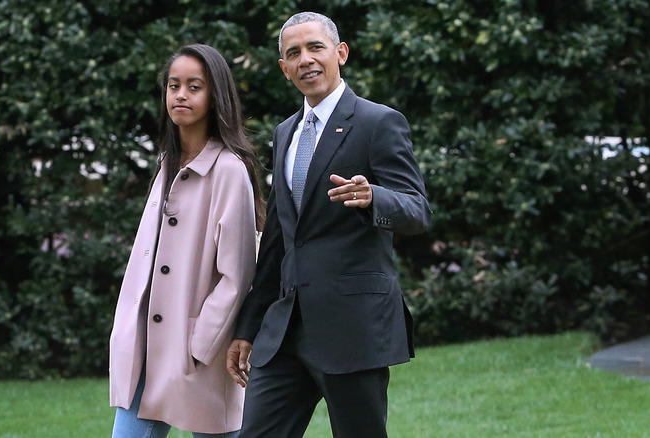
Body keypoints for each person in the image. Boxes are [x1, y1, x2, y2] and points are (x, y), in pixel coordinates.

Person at [226, 12, 432, 438]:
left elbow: (417, 209)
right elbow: (281, 240)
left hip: (352, 329)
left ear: (340, 53)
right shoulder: (285, 133)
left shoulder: (379, 122)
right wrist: (249, 325)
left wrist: (374, 196)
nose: (306, 59)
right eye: (293, 53)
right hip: (285, 332)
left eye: (315, 47)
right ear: (284, 69)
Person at [109, 43, 265, 438]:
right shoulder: (166, 161)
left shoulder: (229, 171)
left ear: (215, 98)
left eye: (194, 86)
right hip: (147, 344)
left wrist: (201, 343)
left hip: (198, 351)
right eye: (174, 85)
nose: (180, 95)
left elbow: (238, 273)